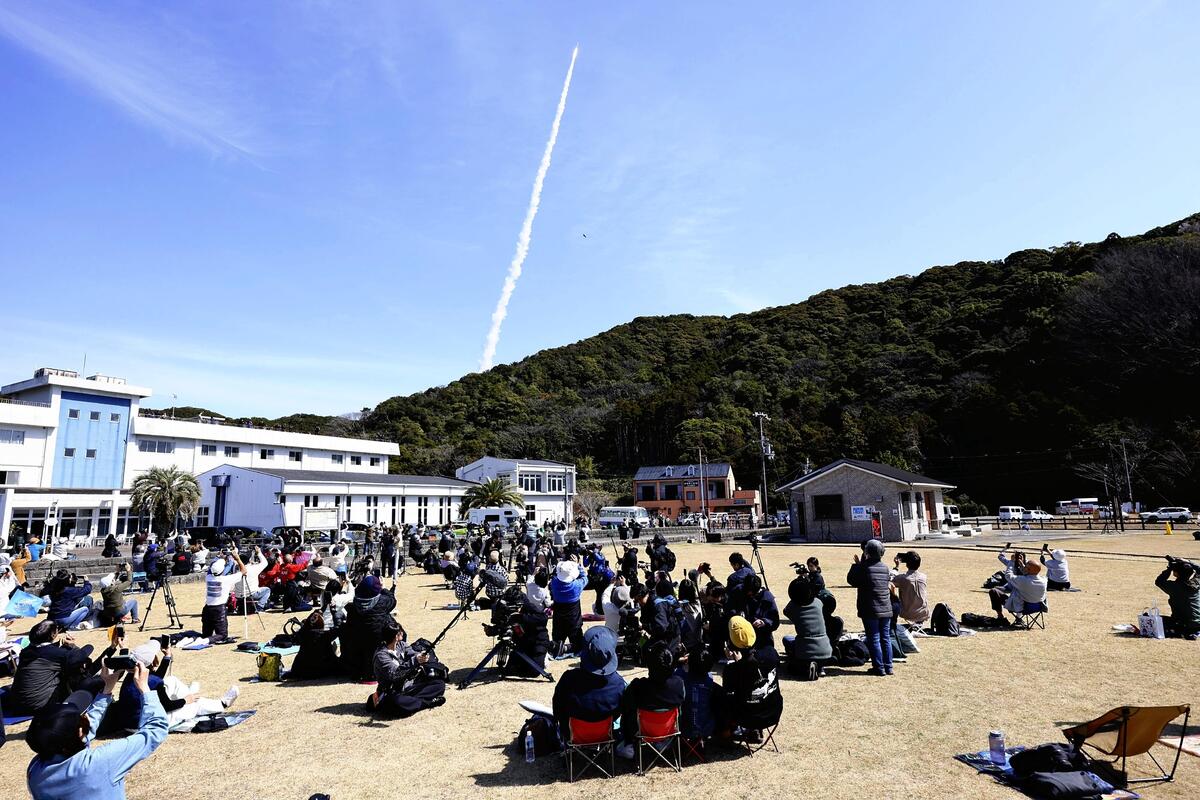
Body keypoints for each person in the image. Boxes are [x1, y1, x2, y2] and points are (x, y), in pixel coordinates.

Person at [26, 661, 167, 800]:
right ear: (80, 732)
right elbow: (155, 730)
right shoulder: (100, 762)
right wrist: (144, 688)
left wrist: (107, 690)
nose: (84, 716)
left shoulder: (35, 770)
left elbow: (80, 732)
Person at [5, 621, 95, 716]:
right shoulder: (56, 654)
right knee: (71, 670)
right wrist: (74, 646)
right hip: (38, 706)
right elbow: (81, 655)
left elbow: (43, 650)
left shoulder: (25, 651)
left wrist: (59, 644)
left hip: (17, 704)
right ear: (52, 635)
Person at [551, 626, 626, 741]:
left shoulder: (568, 679)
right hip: (606, 734)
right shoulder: (618, 684)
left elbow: (558, 709)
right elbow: (619, 712)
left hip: (573, 734)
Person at [615, 640, 685, 759]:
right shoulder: (678, 684)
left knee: (628, 709)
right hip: (669, 731)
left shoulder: (638, 686)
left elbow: (624, 706)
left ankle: (628, 743)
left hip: (643, 732)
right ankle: (662, 743)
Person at [719, 616, 782, 741]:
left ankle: (725, 734)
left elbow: (728, 693)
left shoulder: (732, 670)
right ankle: (755, 731)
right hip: (773, 711)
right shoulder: (771, 653)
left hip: (746, 717)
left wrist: (734, 663)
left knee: (719, 698)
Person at [368, 619, 445, 717]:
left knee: (439, 684)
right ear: (396, 636)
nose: (403, 632)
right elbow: (394, 674)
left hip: (409, 686)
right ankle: (427, 703)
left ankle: (414, 703)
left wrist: (421, 656)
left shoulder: (401, 645)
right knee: (397, 702)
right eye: (400, 631)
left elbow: (412, 653)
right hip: (393, 692)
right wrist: (416, 661)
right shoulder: (381, 656)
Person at [846, 539, 894, 676]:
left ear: (867, 552)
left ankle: (879, 667)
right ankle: (888, 666)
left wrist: (856, 565)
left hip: (870, 608)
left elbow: (851, 580)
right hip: (885, 607)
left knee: (874, 638)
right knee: (885, 637)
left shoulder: (863, 567)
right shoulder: (885, 567)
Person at [340, 576, 397, 681]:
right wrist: (383, 588)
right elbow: (392, 600)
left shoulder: (352, 607)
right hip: (378, 646)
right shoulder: (382, 602)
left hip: (356, 649)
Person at [782, 571, 832, 678]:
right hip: (826, 650)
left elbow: (785, 611)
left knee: (787, 639)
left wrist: (794, 601)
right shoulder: (818, 602)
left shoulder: (794, 607)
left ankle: (805, 666)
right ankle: (820, 667)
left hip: (805, 650)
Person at [201, 551, 247, 644]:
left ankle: (206, 638)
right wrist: (237, 558)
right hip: (219, 609)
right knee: (222, 635)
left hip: (207, 608)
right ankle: (206, 641)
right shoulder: (226, 579)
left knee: (207, 633)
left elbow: (211, 568)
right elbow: (244, 571)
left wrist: (219, 557)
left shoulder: (208, 577)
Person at [989, 559, 1048, 626]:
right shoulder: (1044, 580)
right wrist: (1023, 565)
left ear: (1028, 570)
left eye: (1026, 566)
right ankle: (1018, 618)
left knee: (993, 591)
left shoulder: (1022, 580)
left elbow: (1008, 575)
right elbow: (1030, 573)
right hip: (1038, 606)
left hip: (1020, 607)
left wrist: (1011, 562)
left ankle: (1000, 616)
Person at [286, 611, 341, 681]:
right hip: (320, 671)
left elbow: (305, 626)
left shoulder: (303, 634)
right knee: (333, 648)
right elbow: (338, 628)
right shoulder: (325, 635)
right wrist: (334, 613)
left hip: (301, 671)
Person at [1154, 557, 1200, 640]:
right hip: (1198, 623)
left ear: (1176, 573)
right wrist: (1188, 562)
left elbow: (1159, 581)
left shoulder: (1174, 587)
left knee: (1154, 620)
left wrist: (1169, 568)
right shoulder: (1196, 583)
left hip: (1182, 623)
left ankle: (1181, 633)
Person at [550, 560, 587, 656]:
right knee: (577, 638)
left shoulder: (554, 583)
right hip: (574, 616)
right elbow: (585, 578)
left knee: (557, 637)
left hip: (558, 613)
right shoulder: (576, 585)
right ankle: (575, 648)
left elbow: (554, 575)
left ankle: (558, 648)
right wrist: (579, 566)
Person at [741, 574, 781, 657]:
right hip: (747, 636)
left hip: (763, 638)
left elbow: (775, 622)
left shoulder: (767, 598)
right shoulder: (744, 593)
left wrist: (764, 622)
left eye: (751, 594)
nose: (749, 595)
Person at [890, 551, 930, 626]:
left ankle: (891, 625)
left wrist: (896, 567)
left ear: (907, 564)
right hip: (924, 613)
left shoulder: (902, 578)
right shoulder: (923, 577)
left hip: (907, 613)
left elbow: (890, 580)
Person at [232, 547, 270, 613]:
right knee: (267, 590)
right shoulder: (254, 568)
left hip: (238, 595)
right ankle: (259, 607)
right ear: (248, 561)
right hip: (252, 594)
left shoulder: (235, 569)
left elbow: (237, 563)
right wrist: (259, 553)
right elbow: (265, 563)